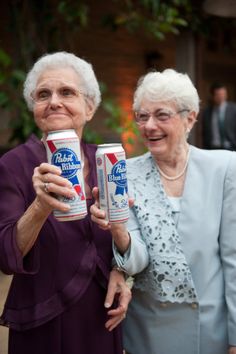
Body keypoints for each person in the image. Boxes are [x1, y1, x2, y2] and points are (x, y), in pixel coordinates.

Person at [90, 69, 236, 354]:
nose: (149, 126)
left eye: (161, 115)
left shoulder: (224, 168)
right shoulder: (125, 173)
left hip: (211, 332)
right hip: (149, 334)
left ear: (189, 117)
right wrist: (117, 227)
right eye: (142, 117)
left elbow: (233, 258)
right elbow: (136, 262)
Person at [0, 51, 131, 354]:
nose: (54, 101)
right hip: (42, 326)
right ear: (35, 109)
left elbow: (129, 236)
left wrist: (124, 273)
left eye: (67, 92)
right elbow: (5, 257)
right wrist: (40, 206)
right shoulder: (14, 165)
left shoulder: (107, 160)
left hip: (102, 319)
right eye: (43, 94)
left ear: (89, 107)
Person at [201, 82, 236, 150]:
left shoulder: (233, 109)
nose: (221, 97)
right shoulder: (207, 112)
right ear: (213, 96)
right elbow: (205, 133)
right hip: (213, 148)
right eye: (219, 95)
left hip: (231, 147)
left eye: (223, 94)